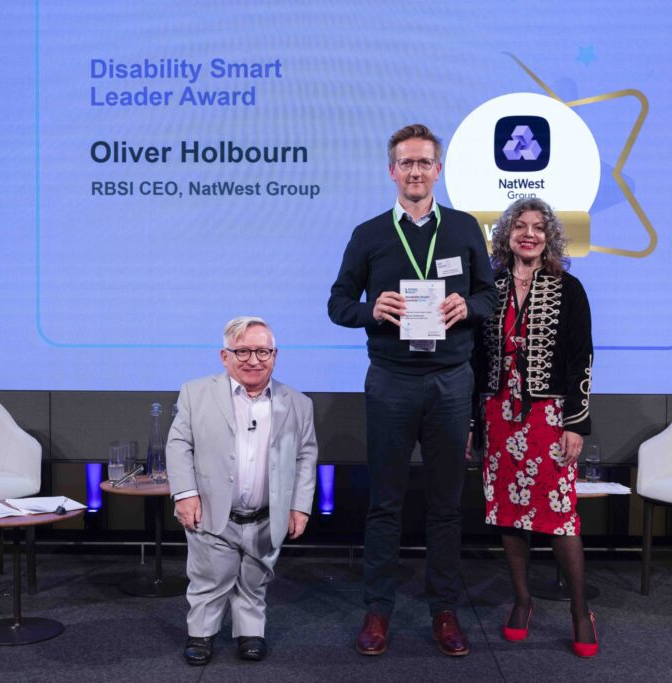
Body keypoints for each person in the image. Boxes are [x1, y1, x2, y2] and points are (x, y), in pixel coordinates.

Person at [328, 124, 498, 657]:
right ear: (392, 171)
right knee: (385, 503)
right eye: (407, 163)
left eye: (425, 163)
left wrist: (466, 306)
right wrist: (369, 310)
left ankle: (443, 611)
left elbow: (491, 298)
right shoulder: (370, 234)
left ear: (438, 170)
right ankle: (378, 612)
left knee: (446, 506)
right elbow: (337, 304)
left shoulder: (467, 229)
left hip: (451, 383)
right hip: (391, 382)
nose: (416, 171)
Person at [479, 197, 597, 657]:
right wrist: (474, 419)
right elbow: (476, 358)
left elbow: (581, 358)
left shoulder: (569, 288)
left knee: (560, 516)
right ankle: (523, 601)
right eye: (520, 226)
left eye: (538, 228)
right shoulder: (488, 286)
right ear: (506, 235)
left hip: (549, 418)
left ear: (550, 237)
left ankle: (579, 611)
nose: (529, 234)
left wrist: (576, 424)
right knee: (509, 512)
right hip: (498, 414)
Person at [167, 316, 318, 665]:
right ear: (225, 356)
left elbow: (306, 455)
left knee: (255, 577)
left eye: (262, 351)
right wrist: (185, 493)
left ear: (275, 355)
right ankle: (201, 635)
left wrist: (300, 506)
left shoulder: (297, 402)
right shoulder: (195, 393)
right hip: (213, 510)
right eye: (243, 351)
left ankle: (251, 632)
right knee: (209, 576)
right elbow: (178, 445)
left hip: (267, 515)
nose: (254, 359)